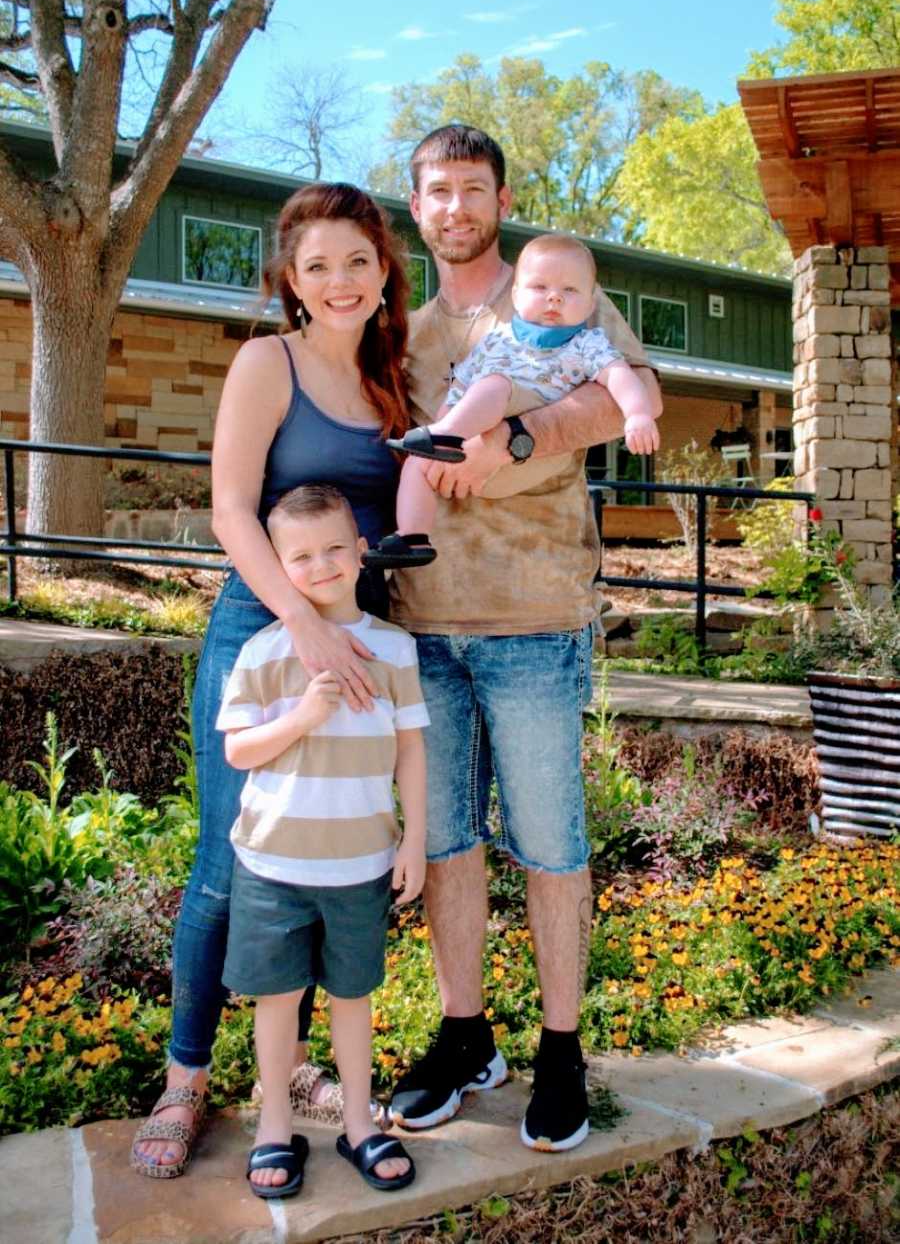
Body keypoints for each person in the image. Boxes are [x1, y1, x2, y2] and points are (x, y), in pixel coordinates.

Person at [385, 126, 662, 1152]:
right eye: (436, 192)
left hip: (534, 618)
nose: (455, 207)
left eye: (473, 190)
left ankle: (560, 1051)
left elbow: (629, 394)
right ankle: (465, 1036)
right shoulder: (405, 333)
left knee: (550, 847)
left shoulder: (552, 286)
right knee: (448, 843)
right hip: (424, 623)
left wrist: (513, 439)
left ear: (501, 200)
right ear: (417, 207)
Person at [132, 183, 414, 1179]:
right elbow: (229, 512)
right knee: (234, 859)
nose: (339, 281)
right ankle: (185, 1076)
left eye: (356, 261)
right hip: (265, 631)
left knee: (324, 858)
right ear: (290, 282)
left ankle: (289, 1070)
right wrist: (303, 627)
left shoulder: (393, 385)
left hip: (359, 646)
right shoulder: (268, 362)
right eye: (316, 265)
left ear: (384, 272)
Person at [219, 484, 427, 1198]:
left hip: (361, 863)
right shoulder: (264, 652)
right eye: (301, 556)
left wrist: (415, 841)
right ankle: (274, 1126)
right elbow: (240, 752)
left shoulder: (394, 649)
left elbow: (411, 752)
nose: (322, 565)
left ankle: (361, 1123)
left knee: (352, 996)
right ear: (278, 565)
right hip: (272, 864)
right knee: (277, 999)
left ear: (362, 551)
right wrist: (306, 714)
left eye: (335, 548)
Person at [366, 232, 659, 566]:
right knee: (417, 463)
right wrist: (445, 425)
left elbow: (621, 376)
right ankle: (412, 537)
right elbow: (462, 387)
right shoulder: (497, 339)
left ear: (590, 304)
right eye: (540, 288)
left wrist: (637, 415)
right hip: (473, 448)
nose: (554, 299)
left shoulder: (585, 344)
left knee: (495, 384)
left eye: (569, 291)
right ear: (516, 296)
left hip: (532, 442)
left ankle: (447, 433)